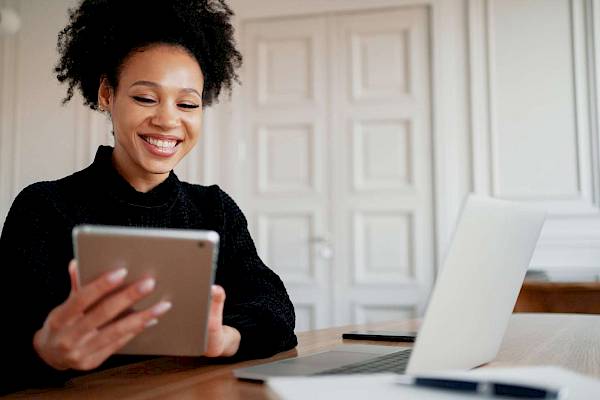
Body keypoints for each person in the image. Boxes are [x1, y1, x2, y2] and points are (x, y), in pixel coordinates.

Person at [0, 0, 297, 394]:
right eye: (145, 98)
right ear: (107, 94)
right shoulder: (44, 207)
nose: (168, 120)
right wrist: (45, 351)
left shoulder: (214, 209)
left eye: (188, 104)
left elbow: (276, 311)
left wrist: (227, 338)